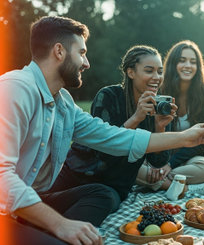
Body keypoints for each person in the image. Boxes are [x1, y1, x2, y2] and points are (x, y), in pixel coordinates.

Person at [0, 16, 204, 245]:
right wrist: (60, 224)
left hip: (21, 205)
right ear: (59, 51)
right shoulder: (14, 90)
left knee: (102, 194)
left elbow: (114, 137)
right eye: (81, 53)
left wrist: (184, 137)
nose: (86, 63)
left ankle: (46, 233)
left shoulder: (63, 103)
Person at [48, 45, 175, 205]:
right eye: (149, 71)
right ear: (131, 72)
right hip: (78, 175)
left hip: (113, 187)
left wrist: (160, 127)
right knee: (35, 209)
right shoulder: (108, 96)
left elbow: (158, 162)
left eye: (160, 71)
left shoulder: (157, 107)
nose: (156, 77)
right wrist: (136, 118)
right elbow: (103, 151)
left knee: (102, 203)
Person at [136, 40, 204, 198]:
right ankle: (187, 189)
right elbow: (149, 136)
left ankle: (157, 181)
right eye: (182, 60)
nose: (188, 65)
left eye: (193, 62)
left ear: (198, 66)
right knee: (133, 167)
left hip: (189, 157)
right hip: (160, 155)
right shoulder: (159, 90)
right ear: (173, 64)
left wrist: (170, 165)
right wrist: (161, 164)